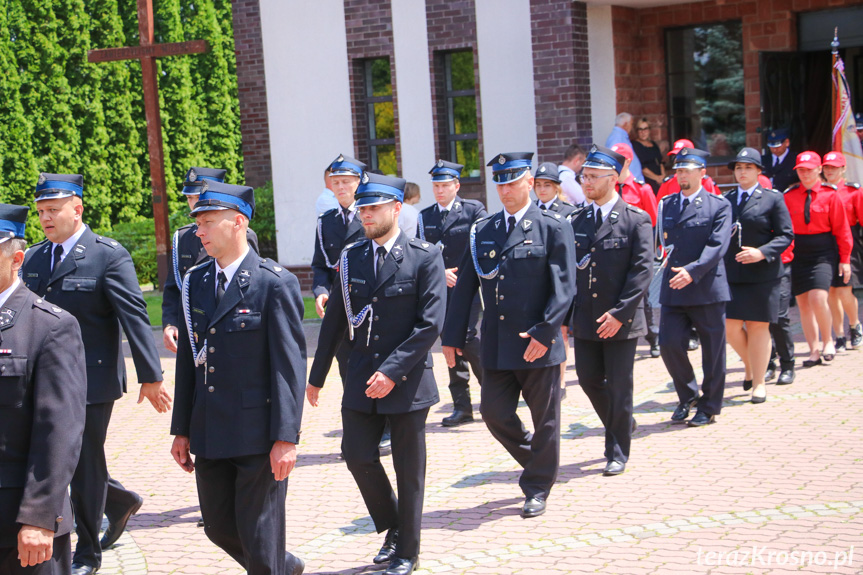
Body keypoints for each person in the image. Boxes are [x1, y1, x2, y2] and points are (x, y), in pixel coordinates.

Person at [22, 174, 170, 575]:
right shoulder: (33, 257)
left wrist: (150, 375)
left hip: (90, 380)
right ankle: (118, 501)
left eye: (53, 210)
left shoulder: (107, 255)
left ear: (78, 208)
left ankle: (87, 552)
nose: (46, 219)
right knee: (56, 458)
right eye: (40, 212)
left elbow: (134, 316)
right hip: (40, 380)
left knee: (82, 463)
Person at [308, 173, 445, 575]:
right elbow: (334, 320)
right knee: (356, 454)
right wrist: (316, 377)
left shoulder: (425, 256)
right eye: (362, 208)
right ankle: (395, 526)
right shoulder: (351, 257)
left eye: (373, 208)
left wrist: (392, 371)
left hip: (407, 380)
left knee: (408, 468)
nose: (365, 214)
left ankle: (408, 551)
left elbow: (430, 324)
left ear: (396, 208)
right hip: (360, 376)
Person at [170, 181, 307, 575]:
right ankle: (284, 565)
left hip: (257, 433)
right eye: (198, 223)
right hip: (210, 429)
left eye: (209, 222)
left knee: (260, 534)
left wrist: (286, 437)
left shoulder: (273, 282)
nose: (199, 231)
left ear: (238, 222)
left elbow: (288, 366)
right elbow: (188, 360)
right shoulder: (195, 281)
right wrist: (182, 428)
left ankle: (273, 565)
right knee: (218, 526)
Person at [441, 152, 575, 518]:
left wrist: (544, 333)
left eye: (512, 182)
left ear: (529, 182)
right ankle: (539, 462)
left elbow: (564, 288)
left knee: (545, 419)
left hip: (537, 343)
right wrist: (451, 338)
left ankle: (536, 487)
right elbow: (466, 286)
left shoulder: (552, 225)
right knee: (494, 414)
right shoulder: (483, 230)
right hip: (497, 343)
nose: (505, 190)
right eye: (499, 183)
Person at [0, 204, 87, 575]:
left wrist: (38, 517)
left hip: (19, 522)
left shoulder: (50, 327)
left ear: (16, 258)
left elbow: (59, 432)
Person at [569, 146, 653, 476]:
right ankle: (622, 420)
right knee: (590, 380)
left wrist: (620, 312)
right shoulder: (576, 220)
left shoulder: (635, 219)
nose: (585, 182)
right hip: (587, 317)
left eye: (592, 176)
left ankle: (616, 448)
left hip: (622, 319)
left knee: (619, 385)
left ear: (613, 178)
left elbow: (642, 271)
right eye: (583, 176)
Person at [656, 149, 732, 427]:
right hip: (674, 287)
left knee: (713, 352)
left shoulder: (718, 205)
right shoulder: (667, 203)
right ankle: (688, 394)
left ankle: (709, 406)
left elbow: (717, 246)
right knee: (668, 343)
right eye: (678, 171)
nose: (682, 175)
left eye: (687, 170)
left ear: (702, 173)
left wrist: (693, 271)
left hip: (706, 287)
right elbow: (662, 244)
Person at [417, 160, 487, 427]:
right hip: (441, 288)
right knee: (449, 343)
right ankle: (462, 406)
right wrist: (439, 272)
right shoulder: (425, 216)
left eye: (445, 185)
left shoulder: (473, 210)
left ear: (456, 186)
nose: (440, 191)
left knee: (468, 338)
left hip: (467, 288)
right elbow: (423, 253)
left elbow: (481, 245)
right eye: (436, 186)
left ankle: (491, 390)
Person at [722, 148, 794, 404]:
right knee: (730, 328)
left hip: (763, 274)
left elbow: (786, 235)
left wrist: (762, 253)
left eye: (748, 167)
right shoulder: (726, 199)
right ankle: (752, 366)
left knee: (757, 326)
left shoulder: (772, 199)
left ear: (758, 171)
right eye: (738, 168)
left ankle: (759, 383)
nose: (742, 172)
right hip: (733, 273)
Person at [161, 167, 259, 354]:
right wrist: (170, 323)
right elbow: (173, 287)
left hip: (231, 329)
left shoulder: (241, 235)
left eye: (198, 197)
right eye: (190, 198)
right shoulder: (183, 237)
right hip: (193, 330)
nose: (194, 203)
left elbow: (249, 284)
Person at [784, 152, 853, 367]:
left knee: (818, 298)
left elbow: (842, 230)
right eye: (801, 170)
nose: (805, 174)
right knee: (803, 304)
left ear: (819, 170)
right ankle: (813, 350)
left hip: (823, 252)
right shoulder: (789, 195)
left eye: (809, 170)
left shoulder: (830, 195)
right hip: (798, 253)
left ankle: (828, 341)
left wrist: (845, 259)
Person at [609, 143, 659, 357]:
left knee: (643, 296)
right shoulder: (608, 189)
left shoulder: (642, 189)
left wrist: (650, 253)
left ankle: (653, 337)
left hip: (636, 252)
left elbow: (653, 222)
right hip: (612, 253)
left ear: (628, 161)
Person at [533, 162, 576, 394]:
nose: (542, 190)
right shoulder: (531, 211)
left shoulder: (568, 212)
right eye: (538, 185)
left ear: (556, 187)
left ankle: (560, 381)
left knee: (560, 331)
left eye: (547, 185)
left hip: (560, 279)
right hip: (538, 281)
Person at [821, 151, 863, 350]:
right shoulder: (819, 191)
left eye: (834, 167)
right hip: (826, 242)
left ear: (843, 169)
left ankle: (854, 326)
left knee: (845, 289)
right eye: (827, 167)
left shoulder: (853, 191)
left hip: (849, 242)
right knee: (831, 292)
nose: (830, 171)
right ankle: (838, 335)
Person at [605, 113, 644, 181]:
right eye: (631, 124)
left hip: (632, 181)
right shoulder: (616, 138)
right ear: (626, 124)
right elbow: (615, 162)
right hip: (626, 184)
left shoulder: (621, 136)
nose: (631, 128)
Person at [631, 118, 665, 194]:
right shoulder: (635, 145)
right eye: (640, 129)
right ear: (637, 131)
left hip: (659, 182)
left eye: (645, 129)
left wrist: (662, 177)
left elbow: (661, 162)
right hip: (647, 182)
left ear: (649, 130)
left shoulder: (653, 144)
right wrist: (656, 178)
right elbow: (641, 167)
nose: (643, 132)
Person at [762, 128, 798, 193]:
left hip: (788, 198)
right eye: (772, 146)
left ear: (787, 142)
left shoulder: (796, 159)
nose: (775, 149)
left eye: (777, 146)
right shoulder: (763, 160)